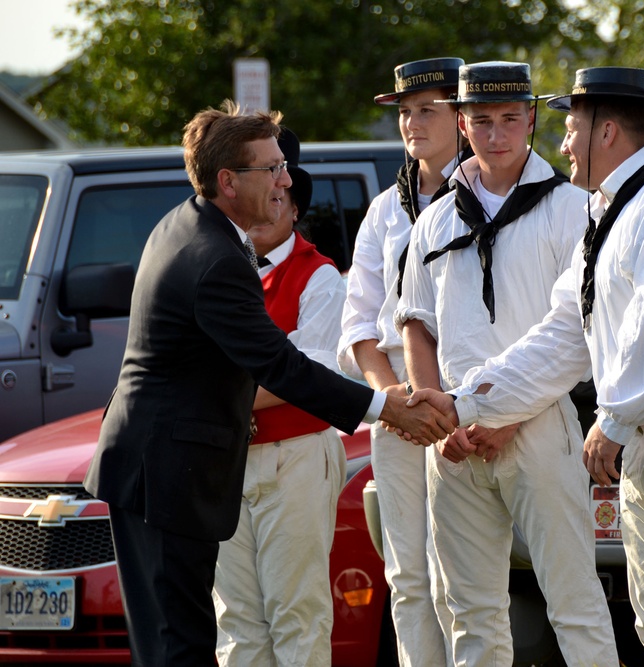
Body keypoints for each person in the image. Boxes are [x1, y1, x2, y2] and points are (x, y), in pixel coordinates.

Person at [416, 66, 644, 666]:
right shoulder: (609, 214)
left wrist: (613, 419)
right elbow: (563, 336)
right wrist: (464, 403)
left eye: (569, 126)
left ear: (606, 131)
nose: (561, 144)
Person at [82, 101, 454, 667]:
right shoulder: (216, 257)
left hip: (165, 466)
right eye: (272, 168)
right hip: (165, 473)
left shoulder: (187, 223)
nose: (286, 179)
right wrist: (388, 407)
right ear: (228, 181)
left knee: (185, 638)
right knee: (176, 645)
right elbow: (281, 366)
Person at [394, 61, 619, 667]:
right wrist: (433, 412)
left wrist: (506, 415)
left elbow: (579, 331)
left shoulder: (572, 208)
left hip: (538, 425)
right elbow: (417, 323)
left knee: (572, 598)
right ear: (462, 123)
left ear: (532, 120)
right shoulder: (436, 216)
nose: (497, 135)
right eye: (483, 121)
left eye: (511, 120)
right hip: (452, 440)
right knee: (469, 612)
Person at [338, 56, 466, 666]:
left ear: (461, 117)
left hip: (467, 407)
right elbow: (359, 321)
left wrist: (441, 403)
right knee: (407, 577)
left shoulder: (495, 197)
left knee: (462, 578)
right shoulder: (385, 210)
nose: (412, 123)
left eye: (428, 110)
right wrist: (389, 399)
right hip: (395, 411)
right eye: (406, 112)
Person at [212, 127, 348, 666]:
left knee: (297, 614)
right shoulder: (220, 270)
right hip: (228, 460)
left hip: (295, 459)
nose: (270, 207)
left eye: (280, 196)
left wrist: (212, 397)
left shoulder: (320, 277)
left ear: (296, 206)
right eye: (264, 193)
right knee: (237, 622)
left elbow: (304, 369)